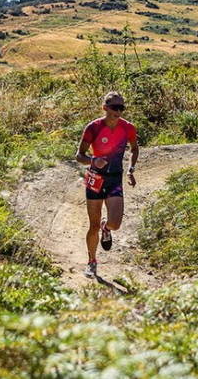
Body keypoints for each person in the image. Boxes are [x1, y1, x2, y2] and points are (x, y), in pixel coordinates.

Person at [75, 91, 139, 279]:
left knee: (115, 223)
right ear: (105, 108)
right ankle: (92, 262)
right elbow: (79, 156)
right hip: (95, 179)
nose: (118, 111)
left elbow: (134, 149)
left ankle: (107, 229)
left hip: (114, 179)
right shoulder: (93, 127)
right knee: (93, 225)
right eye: (114, 107)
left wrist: (131, 169)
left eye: (121, 107)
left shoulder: (128, 128)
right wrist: (94, 160)